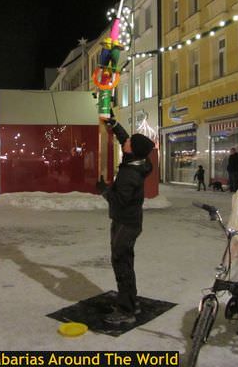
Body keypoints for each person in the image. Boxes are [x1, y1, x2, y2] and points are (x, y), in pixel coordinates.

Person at [96, 116, 155, 325]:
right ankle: (131, 301)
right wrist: (116, 126)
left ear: (132, 150)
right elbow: (126, 140)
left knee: (121, 263)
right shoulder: (140, 161)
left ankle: (126, 309)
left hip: (125, 223)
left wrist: (104, 190)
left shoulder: (130, 173)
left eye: (129, 142)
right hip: (131, 221)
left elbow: (119, 201)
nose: (126, 142)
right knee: (126, 261)